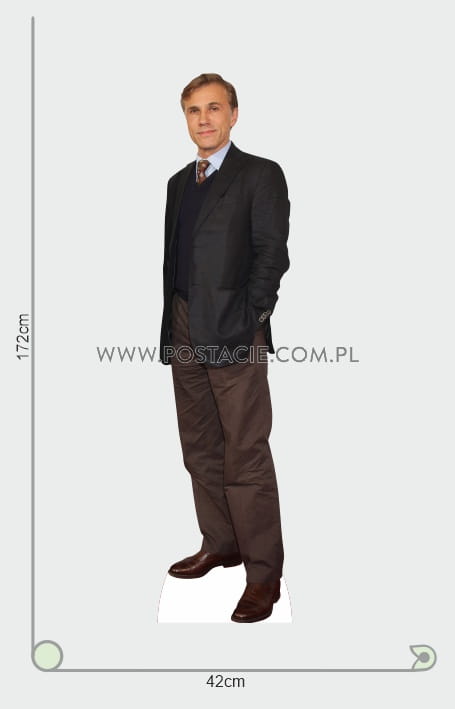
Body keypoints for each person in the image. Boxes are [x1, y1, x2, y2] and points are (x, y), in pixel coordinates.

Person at [159, 73, 290, 622]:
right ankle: (221, 542)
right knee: (199, 446)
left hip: (236, 331)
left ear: (234, 114)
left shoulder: (259, 174)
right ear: (186, 119)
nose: (204, 119)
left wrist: (252, 319)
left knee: (246, 453)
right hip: (183, 326)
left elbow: (272, 255)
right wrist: (173, 325)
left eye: (214, 108)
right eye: (194, 110)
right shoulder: (178, 183)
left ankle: (263, 576)